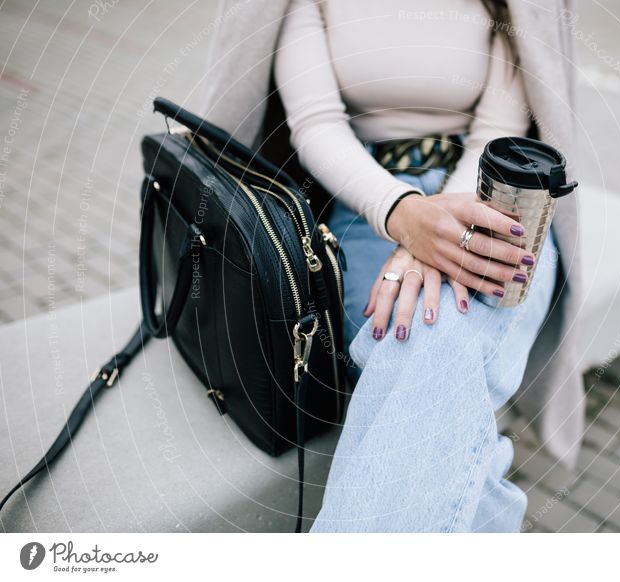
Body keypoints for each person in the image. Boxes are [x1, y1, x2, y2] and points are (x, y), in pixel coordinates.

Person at [202, 0, 584, 532]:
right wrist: (402, 215)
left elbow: (495, 132)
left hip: (494, 204)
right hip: (366, 205)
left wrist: (438, 230)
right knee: (424, 350)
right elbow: (315, 124)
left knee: (433, 344)